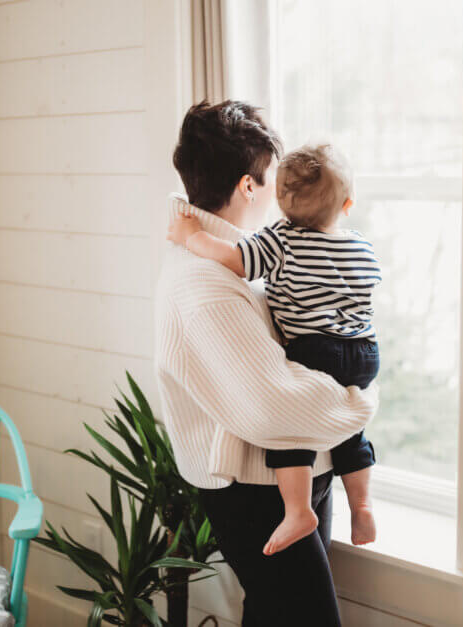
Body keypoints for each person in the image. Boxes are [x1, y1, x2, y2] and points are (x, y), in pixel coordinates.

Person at [154, 100, 378, 627]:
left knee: (277, 616)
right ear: (247, 187)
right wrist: (359, 398)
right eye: (271, 183)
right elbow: (275, 408)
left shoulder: (245, 256)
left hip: (292, 472)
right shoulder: (205, 282)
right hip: (256, 490)